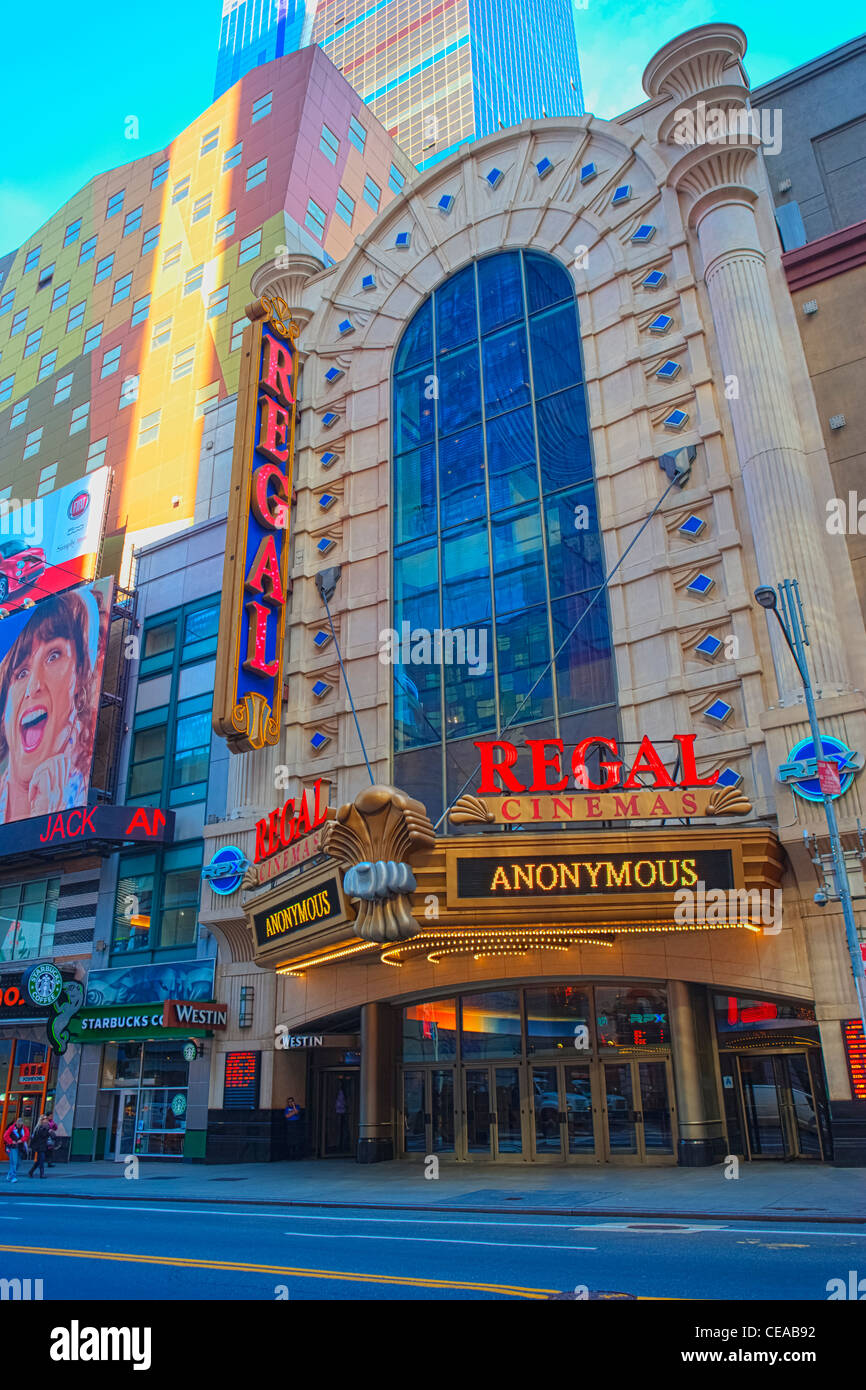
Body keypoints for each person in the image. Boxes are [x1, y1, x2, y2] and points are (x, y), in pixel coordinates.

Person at [0, 586, 105, 823]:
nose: (33, 686)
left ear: (80, 677)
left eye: (53, 656)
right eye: (21, 672)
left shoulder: (76, 794)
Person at [3, 1117, 29, 1183]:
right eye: (18, 1124)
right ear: (16, 1123)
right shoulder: (11, 1127)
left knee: (19, 1163)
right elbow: (5, 1136)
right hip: (12, 1147)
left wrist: (21, 1140)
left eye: (20, 1124)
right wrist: (11, 1141)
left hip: (19, 1147)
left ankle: (10, 1174)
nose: (19, 1125)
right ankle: (13, 1177)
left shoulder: (24, 1128)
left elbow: (27, 1135)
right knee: (14, 1162)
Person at [28, 1115, 51, 1179]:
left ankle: (31, 1171)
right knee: (42, 1160)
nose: (46, 1120)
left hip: (43, 1145)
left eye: (46, 1118)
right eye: (44, 1119)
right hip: (39, 1146)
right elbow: (42, 1135)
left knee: (39, 1161)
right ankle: (42, 1174)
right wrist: (48, 1131)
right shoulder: (39, 1128)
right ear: (41, 1120)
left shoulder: (47, 1127)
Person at [284, 1096, 303, 1160]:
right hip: (290, 1124)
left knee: (297, 1140)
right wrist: (293, 1113)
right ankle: (290, 1155)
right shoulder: (286, 1108)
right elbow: (287, 1116)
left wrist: (294, 1107)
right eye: (289, 1102)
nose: (290, 1103)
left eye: (291, 1101)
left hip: (296, 1124)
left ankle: (297, 1155)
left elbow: (297, 1112)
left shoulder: (297, 1107)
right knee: (290, 1140)